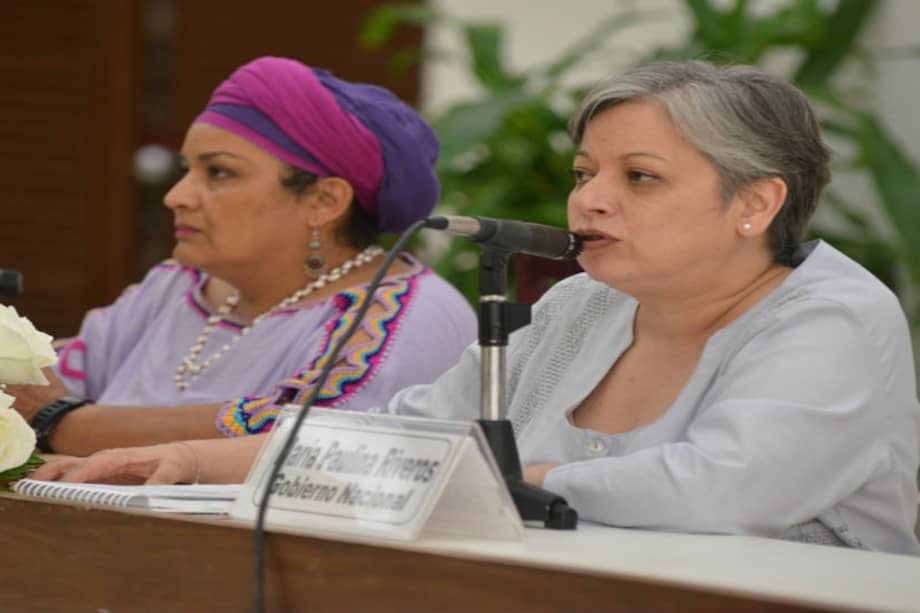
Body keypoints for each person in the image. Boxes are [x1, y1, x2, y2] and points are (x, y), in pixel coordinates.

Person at [32, 60, 920, 556]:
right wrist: (190, 461)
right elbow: (401, 433)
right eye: (585, 173)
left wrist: (490, 475)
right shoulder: (584, 303)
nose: (589, 200)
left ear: (755, 203)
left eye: (639, 177)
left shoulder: (834, 317)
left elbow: (719, 492)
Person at [8, 56, 476, 456]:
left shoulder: (403, 318)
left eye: (219, 173)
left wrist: (66, 424)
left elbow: (306, 445)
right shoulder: (176, 284)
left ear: (324, 201)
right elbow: (40, 387)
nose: (176, 196)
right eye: (186, 169)